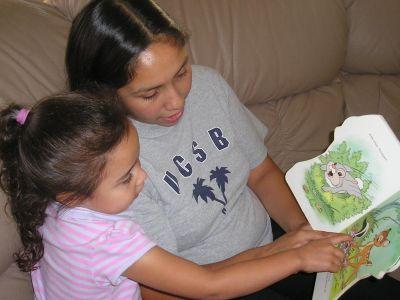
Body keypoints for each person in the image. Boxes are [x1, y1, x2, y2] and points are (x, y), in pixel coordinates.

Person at [65, 0, 357, 299]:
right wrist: (280, 254)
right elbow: (158, 292)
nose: (177, 101)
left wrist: (303, 230)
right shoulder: (111, 167)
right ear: (104, 93)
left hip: (273, 242)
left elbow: (261, 172)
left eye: (181, 73)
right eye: (150, 94)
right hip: (209, 285)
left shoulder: (208, 85)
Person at [0, 93, 350, 299]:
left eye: (137, 163)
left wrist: (281, 246)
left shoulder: (51, 202)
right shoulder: (108, 238)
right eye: (126, 178)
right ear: (73, 194)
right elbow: (209, 286)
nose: (144, 177)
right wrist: (298, 260)